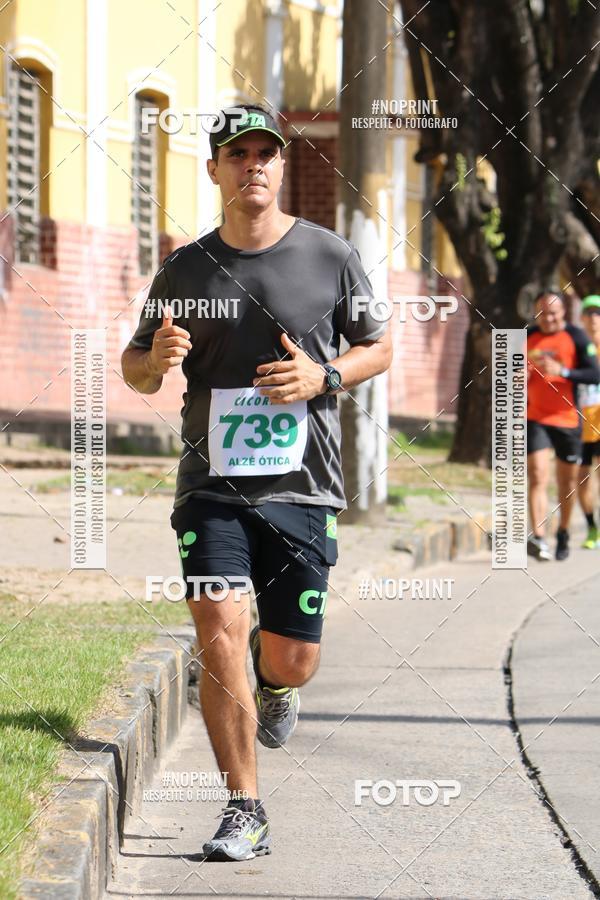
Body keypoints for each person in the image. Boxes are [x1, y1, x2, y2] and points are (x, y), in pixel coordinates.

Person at [121, 104, 392, 861]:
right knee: (218, 631)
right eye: (237, 155)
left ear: (279, 166)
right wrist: (158, 356)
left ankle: (277, 687)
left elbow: (379, 348)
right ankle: (245, 806)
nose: (254, 167)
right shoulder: (185, 267)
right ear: (214, 171)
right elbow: (135, 369)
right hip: (210, 486)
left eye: (265, 154)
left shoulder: (328, 255)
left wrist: (324, 374)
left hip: (303, 488)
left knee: (289, 657)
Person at [526, 291, 600, 561]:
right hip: (535, 418)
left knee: (566, 483)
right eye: (542, 314)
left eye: (554, 313)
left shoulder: (576, 337)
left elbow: (594, 374)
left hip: (568, 420)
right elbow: (507, 373)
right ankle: (539, 537)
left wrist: (563, 371)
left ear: (564, 313)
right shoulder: (526, 337)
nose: (548, 319)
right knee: (537, 474)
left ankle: (564, 532)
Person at [577, 295, 600, 548]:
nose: (594, 318)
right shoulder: (576, 347)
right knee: (581, 477)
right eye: (590, 313)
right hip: (580, 421)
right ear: (582, 317)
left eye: (598, 313)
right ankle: (592, 527)